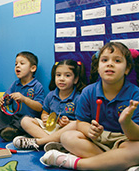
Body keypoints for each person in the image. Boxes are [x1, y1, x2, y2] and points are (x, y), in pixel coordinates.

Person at [40, 42, 139, 170]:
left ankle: (76, 163)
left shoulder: (135, 94)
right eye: (104, 60)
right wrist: (89, 131)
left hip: (124, 141)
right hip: (96, 142)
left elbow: (135, 136)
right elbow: (81, 123)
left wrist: (126, 122)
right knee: (67, 137)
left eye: (117, 60)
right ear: (98, 67)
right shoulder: (88, 92)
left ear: (127, 69)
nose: (110, 63)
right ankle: (118, 163)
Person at [13, 59, 87, 150]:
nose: (61, 79)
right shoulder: (51, 95)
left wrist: (68, 122)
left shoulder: (79, 98)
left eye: (67, 75)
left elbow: (82, 122)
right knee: (25, 121)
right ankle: (52, 142)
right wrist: (44, 117)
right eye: (58, 75)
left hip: (65, 131)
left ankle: (41, 142)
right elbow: (44, 112)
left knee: (76, 124)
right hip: (49, 129)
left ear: (75, 79)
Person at [0, 51, 45, 142]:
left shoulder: (37, 86)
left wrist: (24, 99)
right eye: (16, 64)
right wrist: (4, 101)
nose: (17, 66)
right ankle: (4, 129)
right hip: (14, 116)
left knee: (23, 122)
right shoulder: (16, 84)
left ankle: (1, 129)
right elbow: (7, 97)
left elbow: (39, 107)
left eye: (22, 63)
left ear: (33, 68)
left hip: (28, 118)